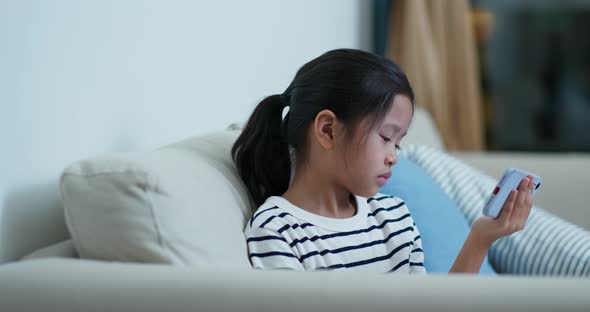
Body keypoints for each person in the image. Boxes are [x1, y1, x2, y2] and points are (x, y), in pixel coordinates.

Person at [232, 48, 534, 274]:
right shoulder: (276, 230)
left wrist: (480, 239)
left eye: (398, 143)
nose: (393, 157)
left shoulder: (394, 216)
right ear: (328, 130)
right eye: (386, 138)